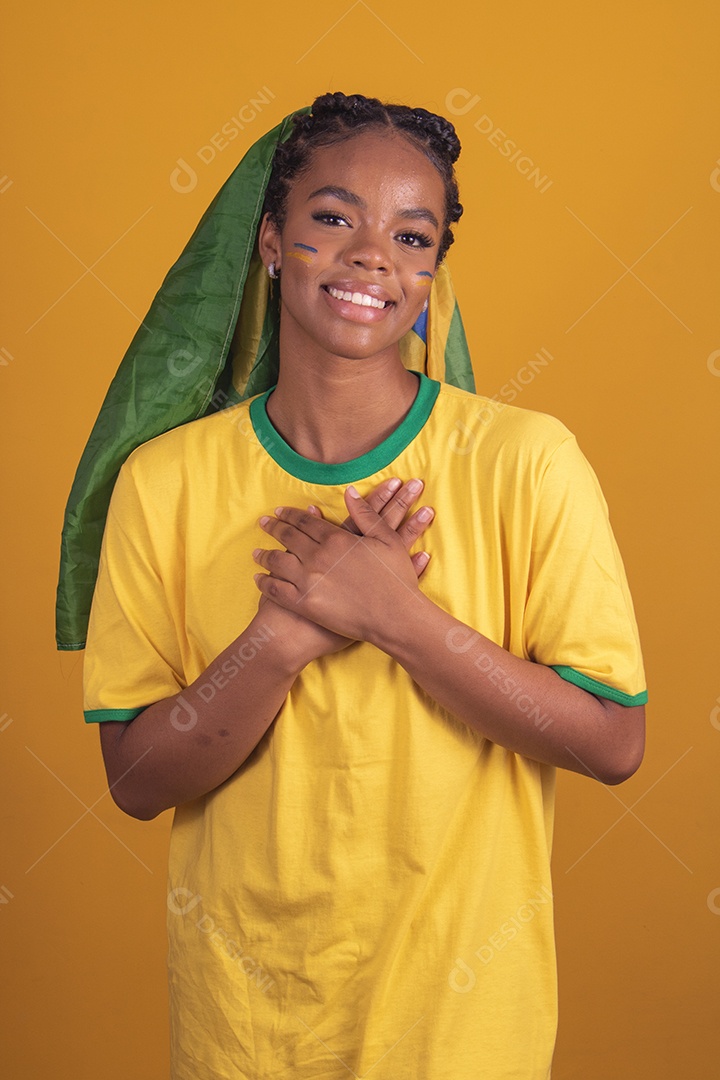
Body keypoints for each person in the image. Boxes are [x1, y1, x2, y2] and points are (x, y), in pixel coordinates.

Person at [65, 92, 647, 1079]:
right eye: (334, 217)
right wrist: (281, 638)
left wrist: (397, 617)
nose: (375, 256)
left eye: (412, 235)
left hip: (462, 1032)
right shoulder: (162, 484)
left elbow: (612, 740)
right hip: (245, 1033)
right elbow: (135, 779)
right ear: (272, 241)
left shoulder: (529, 462)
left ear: (432, 271)